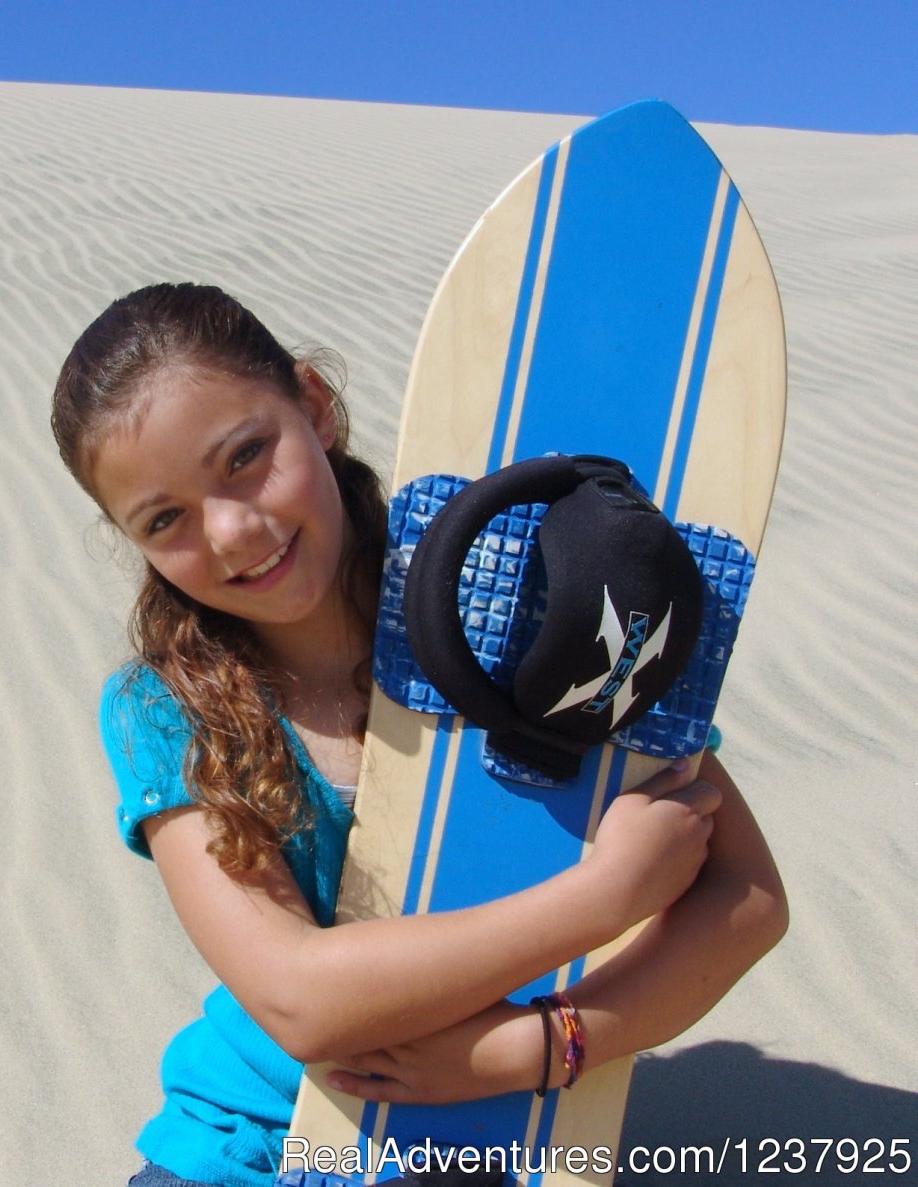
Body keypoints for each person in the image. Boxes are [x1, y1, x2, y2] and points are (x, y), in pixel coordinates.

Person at [52, 282, 787, 1187]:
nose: (235, 530)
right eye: (166, 519)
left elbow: (746, 900)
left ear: (313, 406)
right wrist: (602, 897)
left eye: (246, 456)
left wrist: (540, 1046)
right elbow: (299, 1001)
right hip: (251, 1139)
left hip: (504, 1131)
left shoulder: (515, 595)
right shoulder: (166, 708)